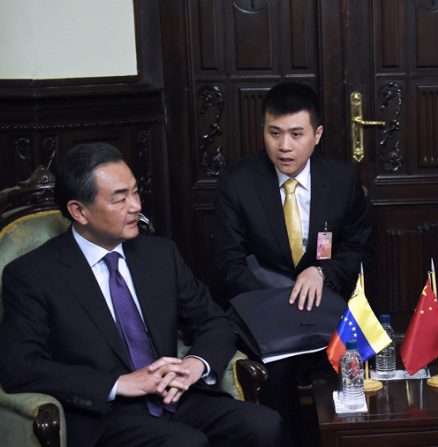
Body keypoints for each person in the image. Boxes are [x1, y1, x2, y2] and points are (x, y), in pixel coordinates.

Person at [0, 143, 282, 447]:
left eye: (135, 193)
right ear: (78, 211)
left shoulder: (160, 254)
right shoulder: (33, 274)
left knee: (263, 424)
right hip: (104, 414)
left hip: (175, 396)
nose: (135, 206)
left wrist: (194, 365)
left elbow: (215, 322)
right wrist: (120, 384)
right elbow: (20, 366)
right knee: (185, 443)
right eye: (120, 199)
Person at [213, 81, 373, 444]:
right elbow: (229, 261)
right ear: (264, 131)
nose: (284, 146)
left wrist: (323, 272)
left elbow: (359, 248)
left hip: (327, 305)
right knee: (276, 373)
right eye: (275, 133)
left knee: (347, 358)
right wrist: (277, 306)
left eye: (296, 134)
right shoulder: (237, 182)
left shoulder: (342, 178)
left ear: (317, 135)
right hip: (263, 312)